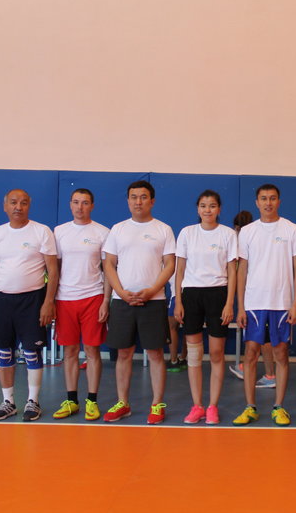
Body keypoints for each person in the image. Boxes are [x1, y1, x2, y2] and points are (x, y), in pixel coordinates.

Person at [0, 189, 59, 421]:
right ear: (5, 206)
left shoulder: (41, 231)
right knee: (4, 352)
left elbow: (53, 271)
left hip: (32, 300)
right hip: (2, 300)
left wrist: (48, 302)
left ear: (29, 206)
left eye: (23, 203)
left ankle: (33, 401)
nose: (18, 207)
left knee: (32, 352)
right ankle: (8, 402)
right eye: (14, 202)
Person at [102, 180, 176, 424]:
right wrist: (121, 292)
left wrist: (152, 290)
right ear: (128, 201)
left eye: (143, 197)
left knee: (155, 353)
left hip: (154, 301)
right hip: (122, 301)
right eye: (134, 197)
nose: (138, 201)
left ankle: (157, 405)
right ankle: (123, 403)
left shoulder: (163, 229)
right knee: (124, 353)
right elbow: (109, 264)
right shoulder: (118, 229)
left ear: (152, 201)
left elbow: (170, 264)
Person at [233, 184, 296, 426]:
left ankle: (278, 407)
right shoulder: (247, 231)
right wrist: (240, 306)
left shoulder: (292, 229)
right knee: (251, 354)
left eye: (272, 198)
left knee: (281, 354)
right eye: (263, 199)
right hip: (254, 303)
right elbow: (242, 269)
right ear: (257, 202)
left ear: (279, 201)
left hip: (282, 303)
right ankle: (250, 407)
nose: (268, 203)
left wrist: (295, 304)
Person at [174, 190, 237, 425]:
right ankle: (197, 405)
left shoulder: (228, 234)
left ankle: (212, 406)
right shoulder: (187, 233)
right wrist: (178, 300)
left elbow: (232, 271)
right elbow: (179, 270)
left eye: (212, 206)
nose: (207, 210)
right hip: (191, 294)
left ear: (219, 209)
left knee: (217, 353)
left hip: (218, 294)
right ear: (197, 209)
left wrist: (229, 302)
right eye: (203, 205)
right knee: (194, 354)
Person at [51, 189, 110, 421]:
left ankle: (92, 401)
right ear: (70, 204)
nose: (80, 207)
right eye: (76, 202)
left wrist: (106, 301)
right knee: (70, 351)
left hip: (93, 296)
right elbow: (54, 269)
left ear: (92, 206)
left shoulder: (102, 232)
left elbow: (108, 269)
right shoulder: (59, 232)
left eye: (85, 203)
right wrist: (51, 300)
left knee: (92, 351)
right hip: (65, 299)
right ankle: (72, 400)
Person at [228, 210, 277, 388]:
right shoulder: (241, 242)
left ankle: (270, 374)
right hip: (250, 297)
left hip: (259, 297)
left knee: (263, 337)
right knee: (256, 337)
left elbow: (241, 271)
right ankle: (249, 367)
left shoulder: (247, 242)